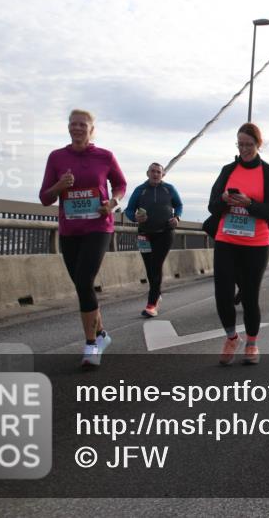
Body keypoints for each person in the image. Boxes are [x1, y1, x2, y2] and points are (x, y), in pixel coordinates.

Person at [40, 109, 126, 367]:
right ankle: (101, 334)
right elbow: (45, 198)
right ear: (68, 128)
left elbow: (121, 185)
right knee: (81, 285)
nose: (77, 128)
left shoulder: (105, 156)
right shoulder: (57, 157)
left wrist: (112, 202)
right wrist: (59, 187)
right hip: (70, 230)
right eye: (73, 124)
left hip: (98, 226)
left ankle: (91, 345)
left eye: (82, 124)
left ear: (91, 129)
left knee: (84, 278)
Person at [208, 123, 269, 366]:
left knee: (250, 297)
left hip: (256, 243)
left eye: (249, 144)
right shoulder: (228, 169)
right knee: (222, 295)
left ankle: (251, 342)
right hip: (226, 239)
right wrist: (224, 199)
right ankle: (232, 337)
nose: (245, 149)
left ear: (258, 144)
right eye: (241, 144)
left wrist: (249, 203)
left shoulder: (268, 173)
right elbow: (212, 206)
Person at [126, 163, 183, 317]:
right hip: (145, 233)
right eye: (153, 171)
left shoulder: (169, 189)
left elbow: (179, 205)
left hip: (165, 233)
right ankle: (156, 294)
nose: (155, 174)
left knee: (156, 265)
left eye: (158, 172)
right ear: (147, 173)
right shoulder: (140, 190)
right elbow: (129, 210)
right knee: (150, 268)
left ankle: (151, 304)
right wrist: (135, 217)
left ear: (163, 174)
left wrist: (177, 217)